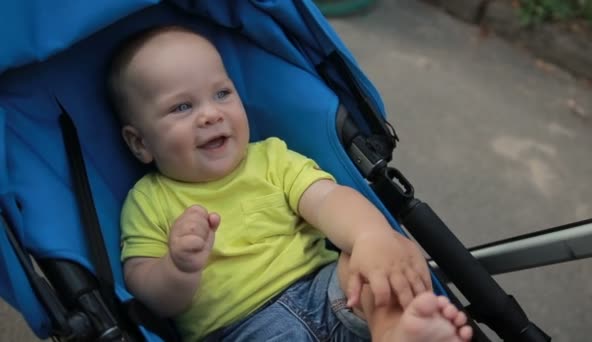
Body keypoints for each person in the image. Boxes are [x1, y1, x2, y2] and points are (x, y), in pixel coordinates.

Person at [108, 25, 473, 342]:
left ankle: (395, 331)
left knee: (388, 251)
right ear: (140, 143)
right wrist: (178, 267)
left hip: (329, 293)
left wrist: (369, 238)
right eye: (182, 108)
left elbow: (329, 201)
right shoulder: (148, 200)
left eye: (222, 93)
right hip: (241, 328)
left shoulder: (272, 158)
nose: (211, 114)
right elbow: (147, 291)